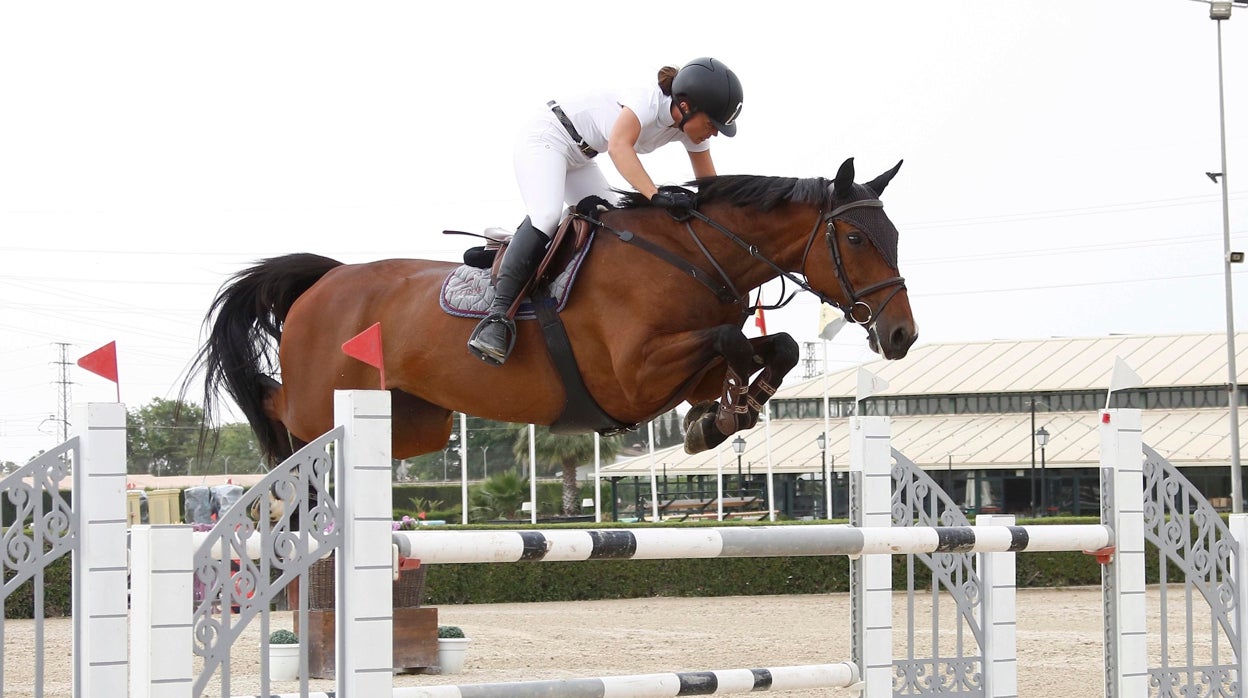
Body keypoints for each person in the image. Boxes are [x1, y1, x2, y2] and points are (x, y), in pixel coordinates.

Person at [467, 57, 744, 366]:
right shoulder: (647, 100)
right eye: (713, 124)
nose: (715, 133)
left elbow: (710, 185)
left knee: (612, 224)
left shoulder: (686, 129)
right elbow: (618, 147)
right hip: (547, 136)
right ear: (687, 105)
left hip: (581, 158)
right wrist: (655, 195)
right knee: (546, 215)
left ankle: (511, 254)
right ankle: (496, 319)